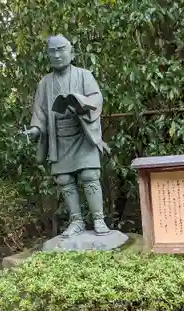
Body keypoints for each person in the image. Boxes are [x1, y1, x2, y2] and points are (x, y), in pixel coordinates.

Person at [22, 34, 111, 238]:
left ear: (71, 52)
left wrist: (80, 104)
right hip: (58, 138)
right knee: (64, 179)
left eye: (61, 49)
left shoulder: (84, 75)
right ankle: (76, 220)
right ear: (48, 55)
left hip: (82, 133)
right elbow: (40, 113)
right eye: (52, 51)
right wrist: (34, 130)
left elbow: (96, 98)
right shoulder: (44, 83)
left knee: (89, 175)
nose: (57, 55)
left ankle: (99, 218)